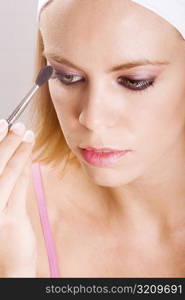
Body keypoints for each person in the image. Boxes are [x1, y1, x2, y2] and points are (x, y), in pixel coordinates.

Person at [0, 0, 185, 278]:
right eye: (68, 77)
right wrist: (13, 273)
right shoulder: (13, 216)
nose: (92, 118)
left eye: (135, 81)